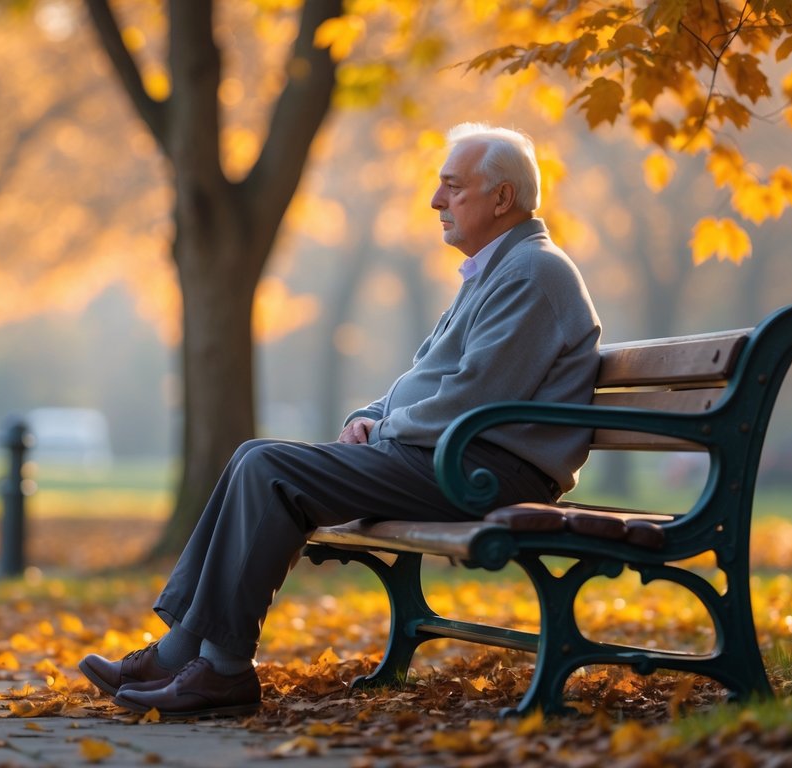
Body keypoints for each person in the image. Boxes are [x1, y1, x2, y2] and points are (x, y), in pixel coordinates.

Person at [79, 122, 602, 719]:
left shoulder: (534, 272)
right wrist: (370, 416)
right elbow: (430, 378)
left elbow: (473, 398)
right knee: (256, 458)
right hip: (450, 457)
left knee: (269, 466)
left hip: (487, 471)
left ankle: (218, 671)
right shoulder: (499, 269)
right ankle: (185, 655)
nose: (436, 201)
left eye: (452, 187)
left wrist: (383, 430)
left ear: (502, 198)